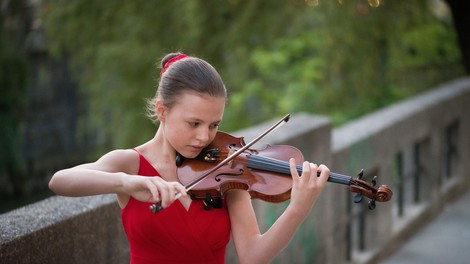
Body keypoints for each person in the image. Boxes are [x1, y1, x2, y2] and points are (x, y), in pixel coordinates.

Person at [48, 52, 330, 264]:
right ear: (162, 111)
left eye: (214, 124)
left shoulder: (228, 173)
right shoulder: (131, 163)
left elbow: (252, 256)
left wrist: (297, 209)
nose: (204, 137)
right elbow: (60, 181)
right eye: (194, 123)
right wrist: (127, 183)